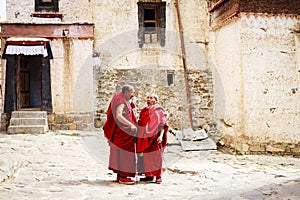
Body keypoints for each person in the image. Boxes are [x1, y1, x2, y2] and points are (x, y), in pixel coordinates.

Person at [103, 85, 137, 184]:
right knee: (125, 154)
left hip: (123, 131)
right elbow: (118, 115)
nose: (133, 95)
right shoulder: (120, 100)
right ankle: (123, 176)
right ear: (126, 92)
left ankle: (120, 175)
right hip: (123, 132)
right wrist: (130, 125)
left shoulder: (121, 97)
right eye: (132, 93)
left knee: (121, 154)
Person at [137, 93, 169, 184]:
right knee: (146, 157)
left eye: (151, 98)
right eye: (147, 97)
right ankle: (149, 176)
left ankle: (158, 176)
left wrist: (161, 136)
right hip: (145, 137)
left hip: (155, 138)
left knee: (156, 157)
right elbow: (141, 122)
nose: (149, 99)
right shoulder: (144, 110)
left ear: (155, 100)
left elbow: (162, 124)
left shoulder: (159, 110)